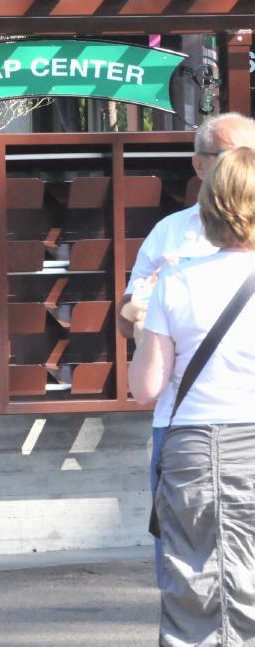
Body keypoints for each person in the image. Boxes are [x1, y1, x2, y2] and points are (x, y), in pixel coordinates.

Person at [117, 111, 255, 588]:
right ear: (200, 166)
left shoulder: (179, 275)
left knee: (194, 572)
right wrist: (141, 311)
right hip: (185, 423)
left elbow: (144, 385)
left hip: (195, 429)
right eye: (233, 156)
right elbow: (127, 312)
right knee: (186, 569)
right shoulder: (170, 233)